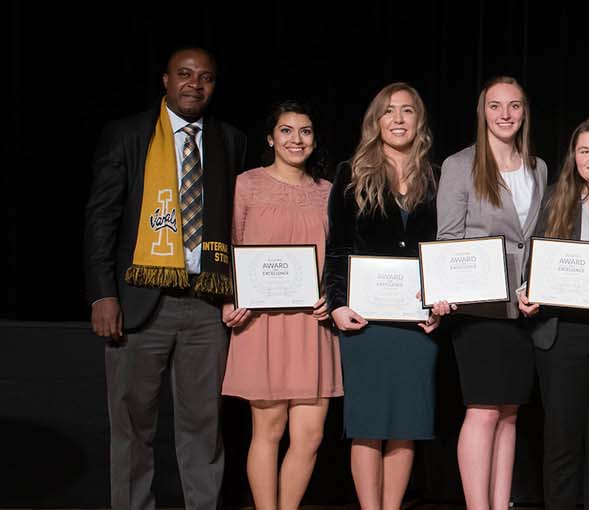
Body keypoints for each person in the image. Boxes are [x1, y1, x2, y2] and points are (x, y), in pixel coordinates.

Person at [84, 47, 246, 510]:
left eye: (207, 77)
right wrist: (103, 294)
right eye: (185, 74)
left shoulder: (229, 139)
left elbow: (236, 223)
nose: (195, 84)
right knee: (133, 428)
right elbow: (101, 219)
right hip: (138, 303)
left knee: (204, 427)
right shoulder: (129, 134)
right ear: (165, 80)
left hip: (206, 303)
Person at [322, 82, 443, 510]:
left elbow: (443, 252)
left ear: (419, 121)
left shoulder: (437, 177)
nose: (397, 119)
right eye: (388, 111)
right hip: (364, 321)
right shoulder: (351, 173)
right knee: (368, 424)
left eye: (407, 111)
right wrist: (335, 304)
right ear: (375, 121)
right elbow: (337, 247)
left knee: (405, 424)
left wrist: (440, 303)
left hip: (417, 321)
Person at [222, 100, 341, 510]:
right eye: (286, 131)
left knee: (310, 435)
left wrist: (334, 293)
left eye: (305, 131)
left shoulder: (329, 193)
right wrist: (229, 298)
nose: (296, 139)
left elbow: (339, 256)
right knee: (268, 429)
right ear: (271, 138)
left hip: (313, 323)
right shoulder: (246, 185)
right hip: (261, 322)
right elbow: (229, 248)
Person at [436, 76, 548, 510]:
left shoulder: (538, 166)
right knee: (482, 411)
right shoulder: (460, 164)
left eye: (514, 106)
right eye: (496, 106)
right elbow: (448, 238)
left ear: (524, 112)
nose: (505, 114)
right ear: (482, 111)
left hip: (524, 309)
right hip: (478, 308)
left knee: (509, 413)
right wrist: (444, 290)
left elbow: (535, 239)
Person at [519, 118, 589, 510]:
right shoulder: (555, 198)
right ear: (574, 157)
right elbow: (533, 260)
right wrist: (526, 291)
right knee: (561, 442)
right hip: (560, 332)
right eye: (585, 150)